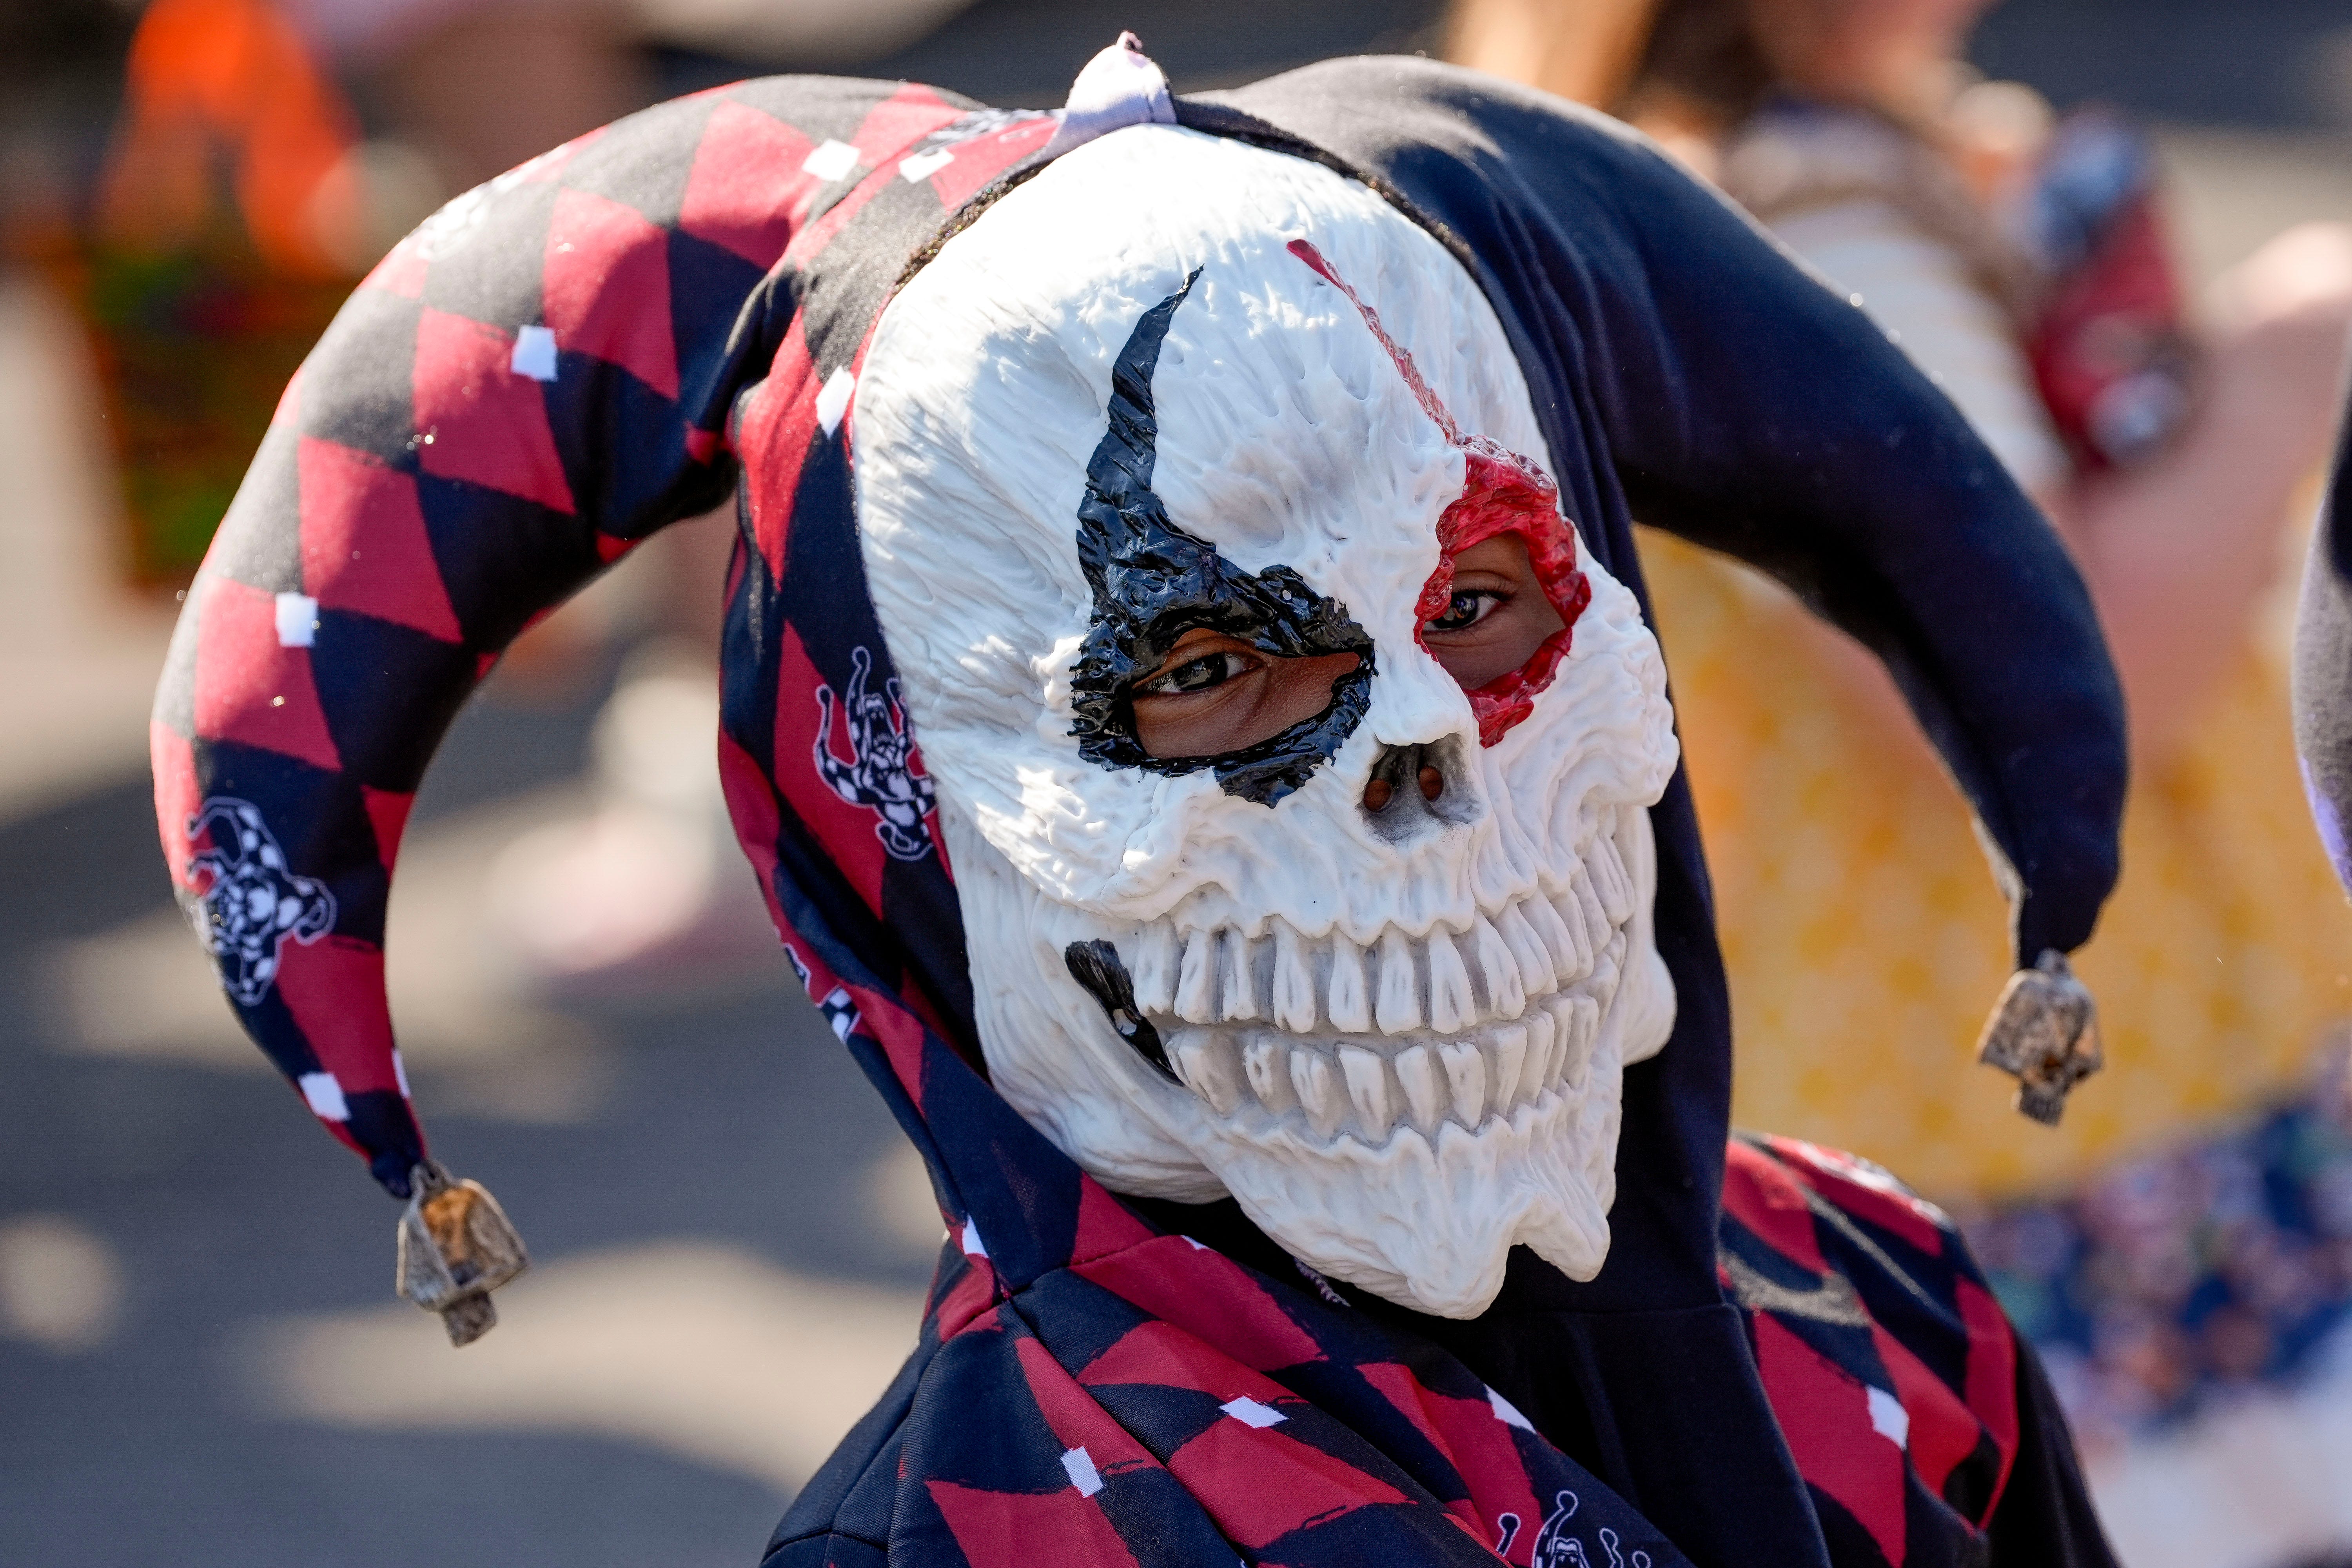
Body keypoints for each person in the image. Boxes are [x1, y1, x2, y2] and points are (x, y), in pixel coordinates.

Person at [151, 38, 2130, 1566]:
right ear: (901, 817)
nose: (1417, 774)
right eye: (1197, 670)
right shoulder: (974, 1540)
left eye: (1485, 601)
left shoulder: (1885, 1312)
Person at [1444, 0, 2352, 1557]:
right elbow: (2053, 670)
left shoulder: (1717, 178)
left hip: (2012, 1069)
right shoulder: (1820, 218)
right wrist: (2288, 375)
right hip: (2046, 1099)